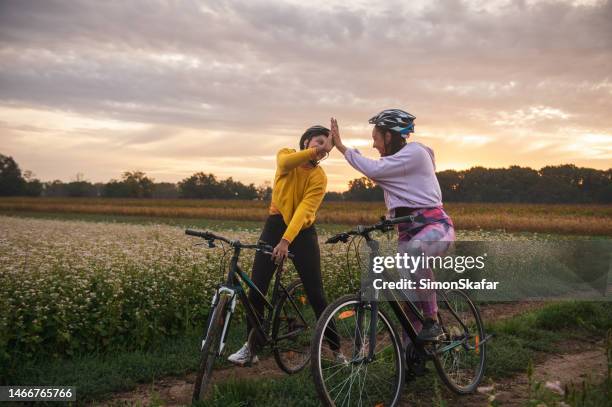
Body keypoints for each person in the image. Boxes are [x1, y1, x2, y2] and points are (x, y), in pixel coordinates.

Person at [329, 110, 456, 344]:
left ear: (389, 136)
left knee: (415, 252)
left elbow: (374, 170)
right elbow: (386, 179)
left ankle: (433, 320)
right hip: (406, 229)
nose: (373, 144)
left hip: (435, 225)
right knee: (408, 301)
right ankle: (412, 358)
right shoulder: (396, 165)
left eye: (376, 138)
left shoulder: (415, 152)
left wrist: (342, 147)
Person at [228, 124, 339, 365]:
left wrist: (286, 241)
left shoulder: (319, 177)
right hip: (274, 225)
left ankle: (337, 349)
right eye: (318, 143)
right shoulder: (286, 154)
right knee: (256, 289)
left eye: (325, 146)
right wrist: (280, 238)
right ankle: (251, 348)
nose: (322, 149)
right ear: (306, 142)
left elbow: (304, 210)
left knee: (316, 294)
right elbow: (285, 165)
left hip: (303, 232)